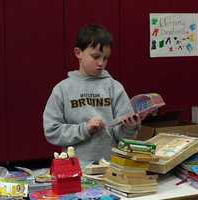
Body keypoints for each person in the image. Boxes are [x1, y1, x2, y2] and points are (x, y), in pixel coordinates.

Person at [43, 24, 141, 162]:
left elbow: (123, 137)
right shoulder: (62, 89)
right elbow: (52, 131)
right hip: (75, 168)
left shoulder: (114, 88)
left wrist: (130, 128)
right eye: (95, 56)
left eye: (105, 58)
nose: (101, 63)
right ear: (78, 53)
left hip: (110, 166)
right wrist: (85, 129)